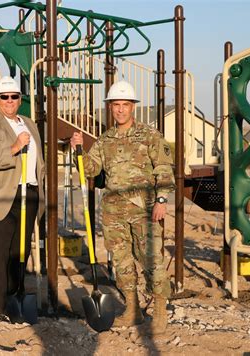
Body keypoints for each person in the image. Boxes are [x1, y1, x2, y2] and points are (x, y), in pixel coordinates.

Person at [70, 80, 175, 335]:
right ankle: (133, 310)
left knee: (151, 260)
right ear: (110, 108)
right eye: (116, 105)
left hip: (144, 209)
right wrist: (78, 150)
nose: (120, 110)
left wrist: (161, 201)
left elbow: (163, 169)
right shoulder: (104, 140)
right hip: (114, 212)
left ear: (132, 107)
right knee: (122, 261)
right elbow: (91, 170)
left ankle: (160, 310)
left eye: (125, 105)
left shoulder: (150, 136)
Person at [0, 76, 45, 320]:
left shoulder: (30, 124)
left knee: (18, 252)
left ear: (20, 99)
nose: (10, 101)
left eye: (14, 97)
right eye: (5, 97)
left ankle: (12, 299)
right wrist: (13, 148)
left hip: (28, 193)